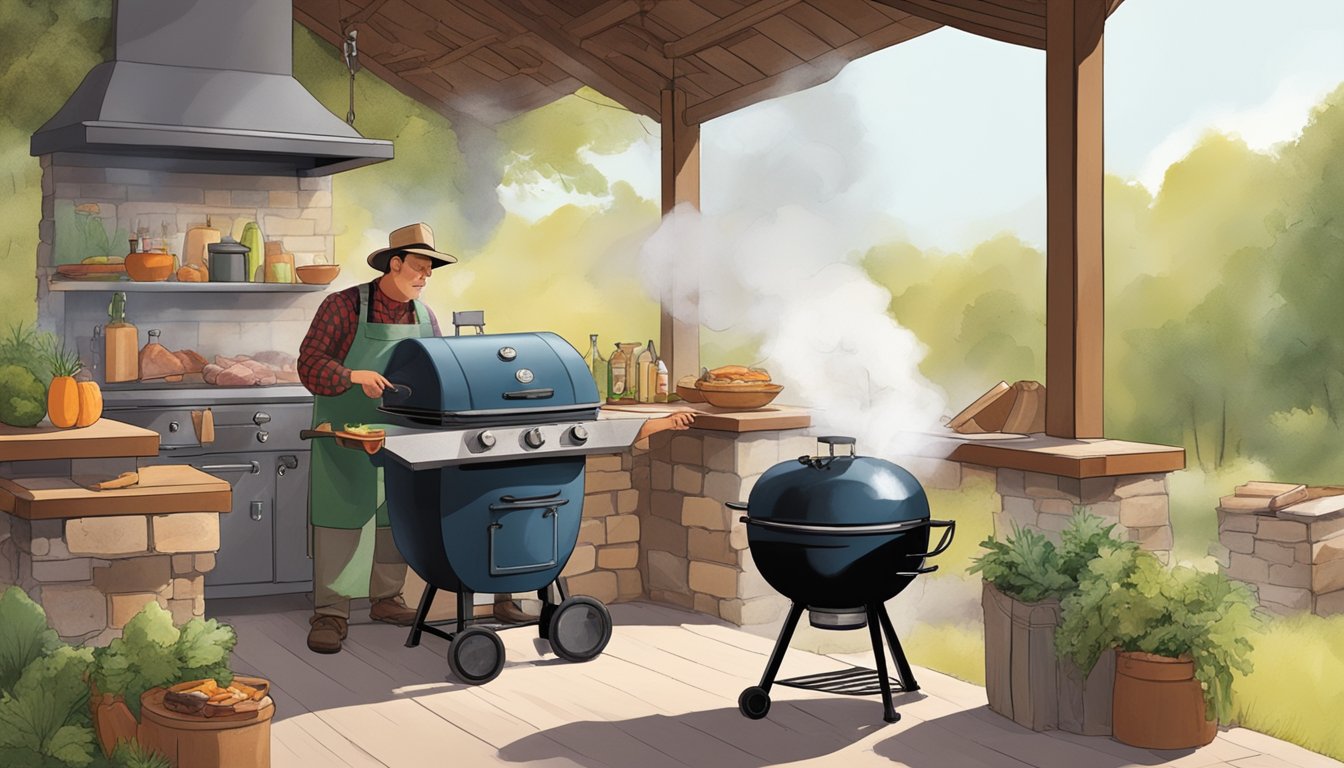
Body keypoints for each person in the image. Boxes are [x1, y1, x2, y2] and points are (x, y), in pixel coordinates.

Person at [297, 222, 695, 654]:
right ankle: (331, 614)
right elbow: (309, 364)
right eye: (418, 268)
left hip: (404, 433)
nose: (425, 277)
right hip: (346, 431)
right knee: (342, 519)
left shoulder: (424, 317)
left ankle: (386, 600)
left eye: (430, 271)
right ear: (395, 264)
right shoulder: (342, 306)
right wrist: (352, 376)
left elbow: (438, 374)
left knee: (397, 513)